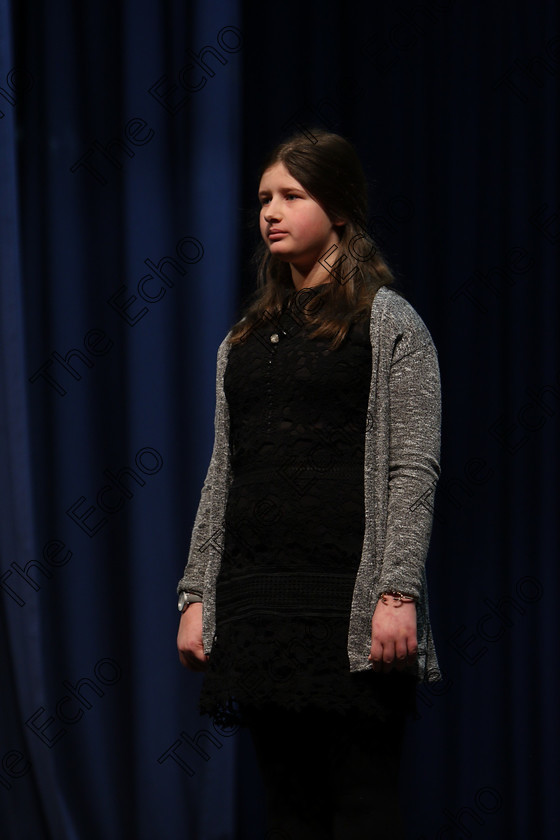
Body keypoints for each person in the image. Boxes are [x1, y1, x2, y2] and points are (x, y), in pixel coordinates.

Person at [177, 129, 442, 839]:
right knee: (287, 810)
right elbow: (223, 473)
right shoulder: (241, 340)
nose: (272, 211)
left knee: (361, 805)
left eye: (293, 196)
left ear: (341, 210)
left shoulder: (388, 324)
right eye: (265, 198)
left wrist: (396, 591)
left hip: (348, 604)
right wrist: (199, 595)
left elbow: (413, 465)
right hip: (260, 598)